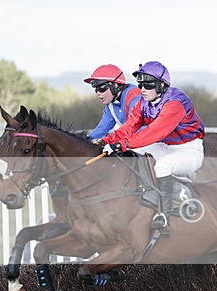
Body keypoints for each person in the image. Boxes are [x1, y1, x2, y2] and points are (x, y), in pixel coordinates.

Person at [96, 61, 205, 237]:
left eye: (147, 85)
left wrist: (122, 144)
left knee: (162, 166)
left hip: (188, 150)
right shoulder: (142, 102)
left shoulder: (176, 103)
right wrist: (107, 140)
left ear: (162, 85)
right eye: (140, 85)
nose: (142, 89)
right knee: (132, 153)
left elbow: (153, 133)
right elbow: (128, 127)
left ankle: (165, 216)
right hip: (165, 147)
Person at [84, 64, 142, 140]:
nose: (98, 93)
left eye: (101, 88)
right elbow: (102, 128)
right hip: (136, 140)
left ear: (115, 85)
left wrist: (108, 140)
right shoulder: (111, 105)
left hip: (155, 141)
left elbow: (133, 126)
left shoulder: (134, 96)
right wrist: (87, 139)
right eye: (96, 89)